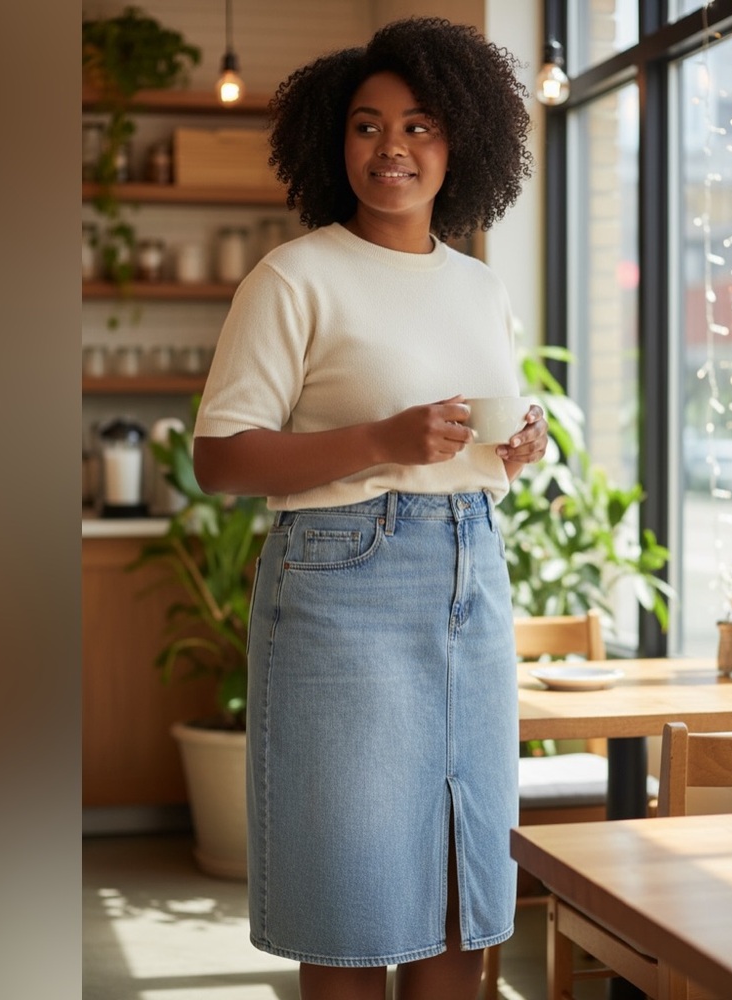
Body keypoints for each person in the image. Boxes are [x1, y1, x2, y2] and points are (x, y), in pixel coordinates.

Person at [192, 16, 547, 1000]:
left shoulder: (479, 285)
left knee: (455, 879)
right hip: (343, 586)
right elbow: (219, 459)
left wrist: (515, 450)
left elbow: (472, 443)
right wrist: (382, 442)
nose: (391, 147)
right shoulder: (293, 277)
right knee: (348, 899)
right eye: (365, 125)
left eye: (420, 124)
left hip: (471, 577)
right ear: (331, 141)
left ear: (462, 140)